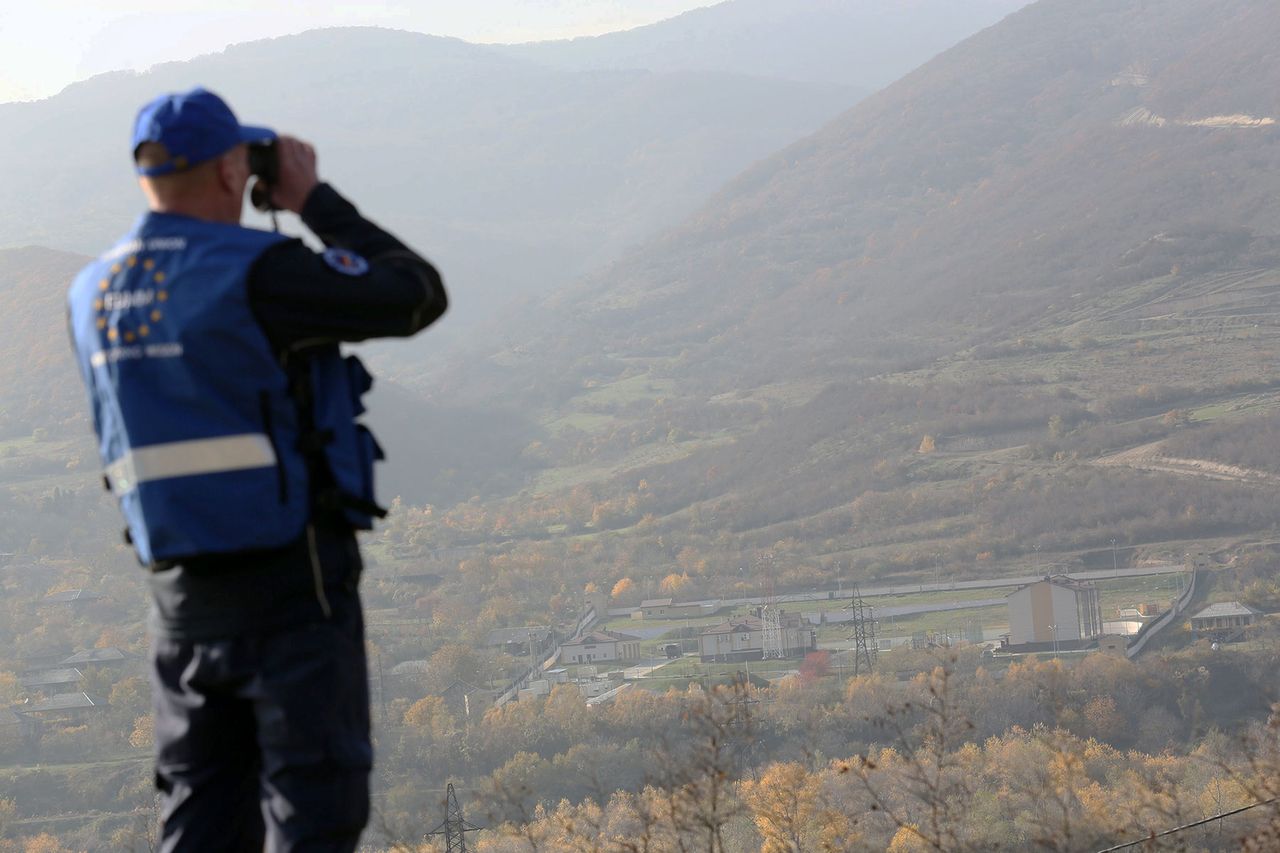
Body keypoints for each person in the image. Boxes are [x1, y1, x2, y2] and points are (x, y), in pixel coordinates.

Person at [66, 87, 447, 851]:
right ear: (230, 165)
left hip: (179, 610)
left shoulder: (92, 293)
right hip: (291, 598)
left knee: (201, 821)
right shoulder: (257, 272)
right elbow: (413, 295)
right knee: (314, 814)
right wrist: (312, 200)